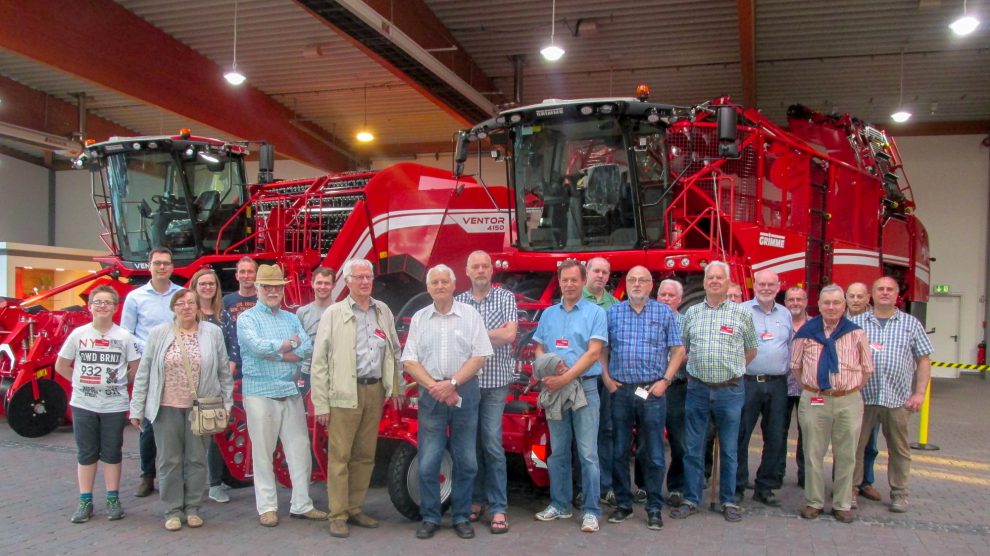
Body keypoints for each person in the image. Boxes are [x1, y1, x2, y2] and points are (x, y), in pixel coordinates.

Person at [311, 260, 402, 538]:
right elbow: (320, 361)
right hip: (343, 393)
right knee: (340, 456)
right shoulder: (334, 313)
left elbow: (394, 350)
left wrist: (396, 387)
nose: (365, 281)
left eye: (369, 276)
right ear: (347, 281)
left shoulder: (382, 311)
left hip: (373, 391)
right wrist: (321, 403)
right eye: (359, 277)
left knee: (364, 456)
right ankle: (337, 515)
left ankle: (355, 507)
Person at [129, 288, 234, 531]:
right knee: (169, 460)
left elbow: (223, 371)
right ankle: (173, 510)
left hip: (201, 407)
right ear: (173, 307)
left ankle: (193, 507)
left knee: (197, 459)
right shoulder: (159, 334)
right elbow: (144, 372)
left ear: (198, 307)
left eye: (191, 303)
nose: (186, 307)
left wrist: (226, 404)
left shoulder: (213, 333)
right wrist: (136, 408)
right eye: (180, 303)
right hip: (166, 407)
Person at [401, 264, 493, 540]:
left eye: (445, 281)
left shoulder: (470, 315)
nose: (440, 286)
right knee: (428, 461)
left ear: (454, 285)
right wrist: (436, 387)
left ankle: (462, 516)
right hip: (431, 395)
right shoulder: (419, 318)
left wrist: (452, 384)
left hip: (465, 390)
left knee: (467, 461)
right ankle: (431, 517)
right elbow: (409, 360)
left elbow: (480, 356)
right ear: (428, 288)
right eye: (435, 282)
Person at [237, 264, 328, 527]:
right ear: (257, 289)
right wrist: (288, 348)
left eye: (277, 286)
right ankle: (267, 507)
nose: (273, 291)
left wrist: (277, 352)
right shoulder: (248, 318)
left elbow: (307, 347)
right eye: (267, 286)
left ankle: (302, 504)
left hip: (289, 391)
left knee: (299, 449)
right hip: (260, 393)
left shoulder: (291, 317)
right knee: (263, 453)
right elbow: (255, 346)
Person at [671, 261, 757, 523]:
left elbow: (751, 350)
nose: (714, 281)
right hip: (696, 389)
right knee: (693, 447)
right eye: (710, 278)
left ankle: (728, 500)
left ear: (728, 282)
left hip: (730, 391)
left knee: (730, 448)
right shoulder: (692, 314)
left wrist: (733, 369)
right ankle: (691, 498)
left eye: (720, 278)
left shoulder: (741, 314)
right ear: (705, 281)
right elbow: (682, 349)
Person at [602, 267, 684, 530]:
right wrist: (606, 378)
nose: (637, 284)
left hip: (652, 392)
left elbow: (678, 349)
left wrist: (665, 381)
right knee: (618, 451)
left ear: (651, 285)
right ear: (626, 285)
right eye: (632, 280)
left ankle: (653, 507)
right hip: (621, 391)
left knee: (654, 453)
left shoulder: (663, 313)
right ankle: (623, 504)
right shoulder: (613, 312)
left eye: (643, 280)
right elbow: (602, 348)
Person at [532, 259, 608, 533]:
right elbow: (539, 347)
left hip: (584, 388)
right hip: (555, 389)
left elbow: (593, 352)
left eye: (574, 280)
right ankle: (560, 505)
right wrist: (550, 366)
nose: (569, 284)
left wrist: (565, 376)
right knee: (558, 452)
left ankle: (590, 510)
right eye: (564, 280)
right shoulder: (549, 314)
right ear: (560, 281)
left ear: (583, 281)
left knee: (588, 453)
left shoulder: (595, 313)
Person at [55, 285, 141, 523]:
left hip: (114, 405)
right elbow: (61, 365)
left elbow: (136, 367)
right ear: (90, 306)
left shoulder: (125, 337)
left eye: (108, 302)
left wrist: (120, 383)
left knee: (112, 452)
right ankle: (85, 500)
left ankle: (113, 498)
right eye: (98, 302)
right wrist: (79, 382)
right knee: (86, 453)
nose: (103, 306)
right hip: (83, 403)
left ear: (115, 308)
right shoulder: (78, 335)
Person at [852, 276, 934, 514]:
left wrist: (919, 393)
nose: (885, 293)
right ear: (872, 295)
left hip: (898, 399)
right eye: (880, 289)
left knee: (899, 449)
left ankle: (899, 494)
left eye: (890, 289)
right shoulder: (857, 324)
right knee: (855, 447)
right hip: (862, 398)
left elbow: (924, 360)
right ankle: (851, 491)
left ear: (897, 294)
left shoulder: (911, 324)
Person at [792, 284, 873, 523]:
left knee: (847, 454)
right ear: (818, 305)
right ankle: (814, 501)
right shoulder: (806, 332)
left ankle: (842, 502)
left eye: (836, 303)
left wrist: (848, 389)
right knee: (813, 453)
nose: (831, 307)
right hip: (815, 398)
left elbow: (867, 368)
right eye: (826, 303)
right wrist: (814, 386)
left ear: (844, 305)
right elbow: (796, 366)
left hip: (847, 399)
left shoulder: (856, 332)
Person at [456, 251, 518, 534]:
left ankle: (499, 506)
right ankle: (475, 499)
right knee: (471, 444)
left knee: (492, 442)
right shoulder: (458, 301)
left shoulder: (506, 297)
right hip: (468, 382)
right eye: (475, 266)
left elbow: (510, 335)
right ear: (467, 271)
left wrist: (475, 334)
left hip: (495, 382)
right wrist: (490, 333)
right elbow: (455, 338)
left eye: (485, 266)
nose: (481, 270)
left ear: (492, 271)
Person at [120, 247, 182, 498]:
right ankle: (147, 475)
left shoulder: (181, 295)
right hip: (148, 365)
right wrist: (149, 350)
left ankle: (177, 475)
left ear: (172, 267)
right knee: (148, 423)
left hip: (177, 366)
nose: (162, 267)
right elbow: (127, 333)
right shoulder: (135, 298)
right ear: (149, 266)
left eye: (166, 263)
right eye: (157, 263)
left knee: (178, 421)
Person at [736, 270, 792, 507]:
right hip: (748, 382)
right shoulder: (742, 311)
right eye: (762, 284)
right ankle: (737, 485)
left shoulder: (786, 314)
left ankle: (765, 487)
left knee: (776, 436)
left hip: (778, 384)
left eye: (771, 284)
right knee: (741, 434)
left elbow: (788, 345)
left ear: (778, 287)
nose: (766, 288)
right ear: (754, 285)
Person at [190, 268, 238, 504]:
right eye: (203, 283)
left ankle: (215, 483)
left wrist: (223, 380)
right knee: (191, 436)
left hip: (216, 385)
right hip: (190, 385)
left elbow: (233, 350)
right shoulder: (188, 315)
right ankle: (192, 483)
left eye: (212, 284)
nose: (208, 287)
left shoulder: (223, 316)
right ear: (195, 286)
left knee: (215, 433)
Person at [582, 256, 620, 507]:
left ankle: (605, 485)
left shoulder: (615, 305)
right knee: (581, 434)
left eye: (605, 272)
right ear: (587, 271)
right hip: (580, 377)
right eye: (596, 270)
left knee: (605, 430)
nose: (601, 275)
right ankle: (581, 487)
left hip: (603, 377)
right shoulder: (574, 300)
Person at [846, 281, 881, 503]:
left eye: (860, 296)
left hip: (871, 392)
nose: (856, 300)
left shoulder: (875, 322)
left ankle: (866, 482)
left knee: (870, 443)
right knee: (845, 443)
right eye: (852, 296)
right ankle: (847, 485)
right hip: (844, 393)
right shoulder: (839, 318)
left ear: (867, 297)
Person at [657, 279, 688, 506]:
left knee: (679, 441)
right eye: (663, 295)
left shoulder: (686, 323)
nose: (666, 299)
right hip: (649, 388)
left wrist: (678, 359)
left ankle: (676, 487)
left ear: (679, 299)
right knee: (648, 440)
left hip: (676, 388)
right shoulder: (648, 320)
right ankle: (645, 486)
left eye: (671, 295)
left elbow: (692, 351)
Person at [781, 286, 809, 488]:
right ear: (785, 302)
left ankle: (805, 476)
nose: (795, 303)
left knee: (807, 432)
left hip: (806, 387)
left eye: (799, 299)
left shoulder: (815, 324)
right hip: (781, 385)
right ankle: (776, 473)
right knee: (777, 432)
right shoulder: (779, 322)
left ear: (806, 301)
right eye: (791, 300)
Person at [295, 267, 336, 393]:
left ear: (333, 285)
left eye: (327, 283)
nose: (322, 287)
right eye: (319, 283)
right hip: (306, 373)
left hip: (332, 372)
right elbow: (297, 342)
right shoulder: (302, 312)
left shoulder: (341, 311)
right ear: (312, 284)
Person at [223, 256, 259, 379]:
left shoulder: (263, 301)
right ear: (236, 276)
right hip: (233, 362)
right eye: (242, 272)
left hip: (257, 363)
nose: (246, 275)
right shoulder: (227, 300)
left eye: (250, 271)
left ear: (256, 275)